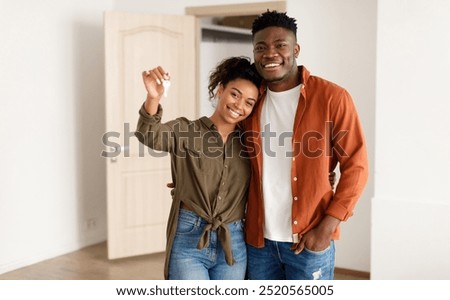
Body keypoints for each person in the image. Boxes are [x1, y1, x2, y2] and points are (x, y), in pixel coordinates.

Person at [242, 10, 369, 280]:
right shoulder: (249, 102)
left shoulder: (332, 97)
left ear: (296, 49)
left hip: (309, 239)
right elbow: (229, 151)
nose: (270, 53)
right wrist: (193, 172)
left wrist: (327, 227)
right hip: (257, 243)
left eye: (280, 45)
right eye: (261, 47)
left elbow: (356, 166)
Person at [135, 57, 262, 280]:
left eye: (249, 103)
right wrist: (153, 98)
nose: (239, 106)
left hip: (233, 242)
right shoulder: (186, 130)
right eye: (235, 94)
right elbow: (149, 135)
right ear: (220, 89)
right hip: (189, 238)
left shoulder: (251, 143)